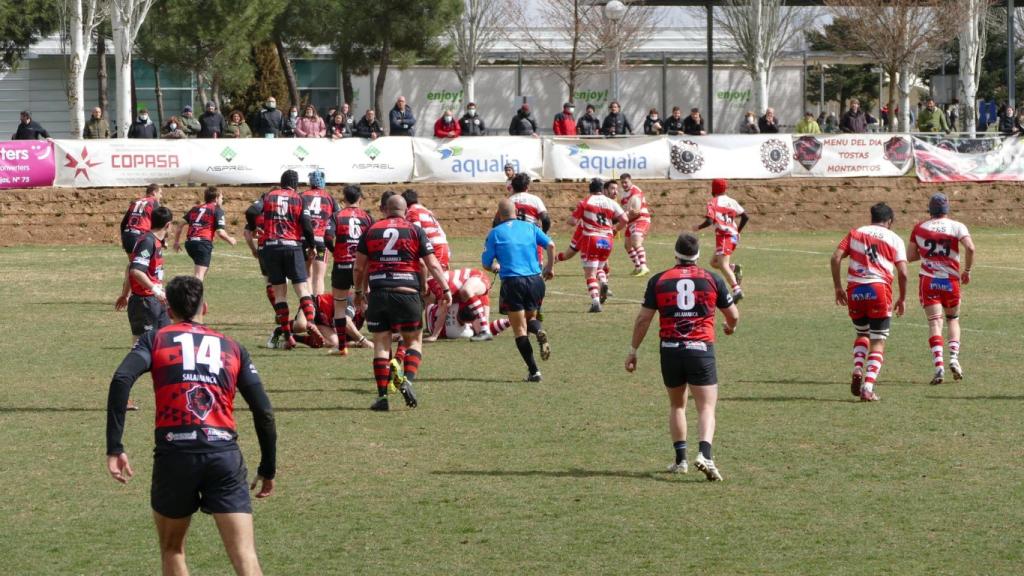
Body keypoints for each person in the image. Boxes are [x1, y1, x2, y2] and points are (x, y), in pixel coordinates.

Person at [105, 275, 276, 576]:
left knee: (173, 549)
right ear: (205, 308)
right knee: (246, 558)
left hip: (175, 454)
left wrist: (115, 446)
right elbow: (263, 411)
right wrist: (268, 466)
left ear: (168, 310)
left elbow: (121, 380)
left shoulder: (155, 339)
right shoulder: (233, 347)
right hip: (223, 455)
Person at [625, 232, 738, 481]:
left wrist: (633, 350)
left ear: (675, 253)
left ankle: (681, 461)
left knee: (677, 405)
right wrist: (730, 327)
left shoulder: (659, 280)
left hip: (670, 349)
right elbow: (734, 315)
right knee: (706, 406)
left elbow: (644, 318)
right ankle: (705, 455)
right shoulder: (712, 279)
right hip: (700, 350)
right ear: (697, 255)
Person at [354, 195, 450, 411]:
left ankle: (381, 398)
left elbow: (360, 267)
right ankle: (407, 380)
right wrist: (443, 288)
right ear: (406, 210)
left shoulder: (372, 230)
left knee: (380, 344)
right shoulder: (415, 230)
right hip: (407, 293)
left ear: (385, 210)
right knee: (414, 341)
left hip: (379, 293)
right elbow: (431, 263)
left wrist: (359, 292)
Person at [830, 202, 908, 402]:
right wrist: (902, 298)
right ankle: (868, 387)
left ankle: (857, 367)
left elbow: (836, 257)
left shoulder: (855, 233)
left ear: (871, 217)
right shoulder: (895, 239)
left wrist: (838, 287)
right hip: (879, 290)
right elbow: (904, 273)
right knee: (878, 341)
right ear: (889, 221)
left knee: (862, 333)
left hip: (855, 290)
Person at [483, 198, 555, 381]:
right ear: (516, 212)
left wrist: (494, 267)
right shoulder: (530, 227)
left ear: (499, 215)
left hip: (513, 282)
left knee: (519, 329)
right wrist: (549, 267)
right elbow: (551, 245)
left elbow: (486, 263)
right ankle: (539, 330)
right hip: (535, 280)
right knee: (530, 319)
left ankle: (534, 371)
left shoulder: (495, 233)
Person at [908, 193, 975, 385]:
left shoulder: (920, 227)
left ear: (930, 209)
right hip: (950, 281)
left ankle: (939, 366)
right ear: (947, 209)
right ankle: (954, 358)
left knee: (934, 323)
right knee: (953, 319)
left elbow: (911, 256)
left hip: (929, 281)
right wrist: (967, 270)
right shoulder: (957, 226)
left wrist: (929, 255)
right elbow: (970, 248)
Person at [260, 170, 321, 350]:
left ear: (281, 182)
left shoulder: (269, 196)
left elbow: (253, 211)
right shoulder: (299, 198)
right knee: (302, 289)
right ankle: (310, 322)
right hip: (292, 245)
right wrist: (312, 245)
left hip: (271, 246)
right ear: (295, 184)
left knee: (280, 294)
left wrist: (259, 227)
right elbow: (307, 225)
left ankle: (288, 337)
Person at [556, 178, 628, 312]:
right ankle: (603, 281)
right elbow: (625, 219)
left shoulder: (585, 202)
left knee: (590, 274)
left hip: (591, 238)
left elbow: (573, 222)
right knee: (600, 267)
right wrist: (615, 229)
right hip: (607, 239)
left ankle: (595, 301)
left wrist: (568, 219)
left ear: (590, 189)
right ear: (602, 189)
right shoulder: (611, 202)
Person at [325, 184, 374, 356]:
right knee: (368, 301)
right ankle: (382, 335)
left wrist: (334, 251)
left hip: (341, 265)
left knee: (339, 306)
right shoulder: (367, 218)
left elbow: (327, 237)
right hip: (361, 266)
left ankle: (341, 347)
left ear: (344, 199)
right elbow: (374, 239)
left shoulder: (336, 216)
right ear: (360, 199)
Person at [116, 205, 173, 342]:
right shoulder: (147, 241)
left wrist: (125, 294)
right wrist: (155, 290)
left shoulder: (153, 240)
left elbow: (130, 266)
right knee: (142, 345)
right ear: (168, 225)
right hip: (144, 303)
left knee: (164, 342)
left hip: (156, 301)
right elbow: (135, 270)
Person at [695, 179, 748, 302]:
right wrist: (737, 231)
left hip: (725, 236)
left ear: (713, 190)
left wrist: (697, 227)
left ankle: (737, 290)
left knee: (723, 264)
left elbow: (709, 221)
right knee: (714, 262)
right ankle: (734, 269)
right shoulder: (732, 201)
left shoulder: (713, 202)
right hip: (733, 236)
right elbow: (745, 217)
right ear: (725, 189)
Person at [173, 187, 237, 281]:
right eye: (221, 198)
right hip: (202, 243)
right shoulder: (217, 210)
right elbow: (220, 232)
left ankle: (193, 292)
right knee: (199, 275)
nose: (222, 200)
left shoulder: (195, 208)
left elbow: (180, 225)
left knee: (202, 272)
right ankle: (192, 294)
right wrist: (230, 239)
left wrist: (176, 242)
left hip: (190, 243)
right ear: (216, 198)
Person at [424, 268, 496, 342]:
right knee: (478, 330)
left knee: (466, 291)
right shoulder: (431, 289)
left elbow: (443, 312)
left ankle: (485, 331)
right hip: (474, 292)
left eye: (424, 302)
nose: (427, 304)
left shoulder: (436, 286)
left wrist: (434, 336)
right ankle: (486, 330)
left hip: (477, 276)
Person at [301, 170, 340, 296]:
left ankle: (309, 307)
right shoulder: (330, 198)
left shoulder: (302, 196)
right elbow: (338, 217)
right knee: (319, 277)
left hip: (305, 238)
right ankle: (319, 308)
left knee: (307, 274)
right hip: (321, 240)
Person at [403, 189, 451, 270]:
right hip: (440, 247)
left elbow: (416, 232)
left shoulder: (412, 211)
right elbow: (442, 233)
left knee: (434, 280)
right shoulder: (425, 210)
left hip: (435, 249)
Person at [619, 173, 651, 277]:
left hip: (641, 219)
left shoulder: (635, 191)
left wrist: (626, 215)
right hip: (631, 221)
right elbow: (625, 210)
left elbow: (636, 211)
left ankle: (644, 267)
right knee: (627, 245)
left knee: (636, 243)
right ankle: (638, 267)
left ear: (630, 180)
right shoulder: (623, 194)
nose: (624, 184)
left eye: (626, 182)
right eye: (622, 182)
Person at [119, 183, 163, 256]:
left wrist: (123, 240)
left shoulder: (135, 202)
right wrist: (163, 240)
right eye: (160, 193)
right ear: (154, 193)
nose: (161, 196)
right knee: (145, 262)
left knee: (134, 263)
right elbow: (159, 223)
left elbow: (123, 223)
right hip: (139, 237)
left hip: (127, 236)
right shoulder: (153, 202)